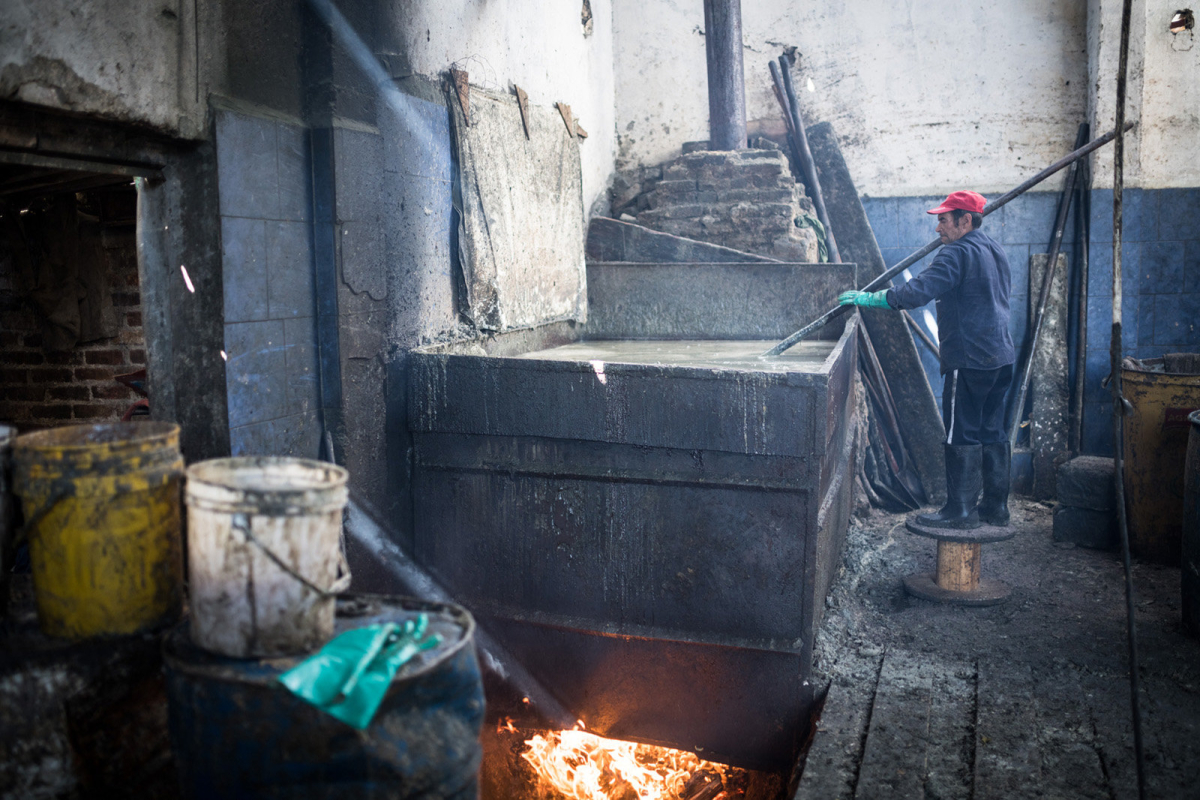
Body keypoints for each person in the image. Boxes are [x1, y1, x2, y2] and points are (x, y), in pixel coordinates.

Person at [838, 190, 1014, 529]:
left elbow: (917, 292)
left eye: (944, 221)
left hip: (970, 360)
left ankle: (959, 512)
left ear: (966, 221)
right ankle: (996, 508)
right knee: (992, 430)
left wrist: (873, 298)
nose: (938, 229)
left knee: (959, 434)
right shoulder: (994, 249)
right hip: (1001, 357)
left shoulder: (957, 253)